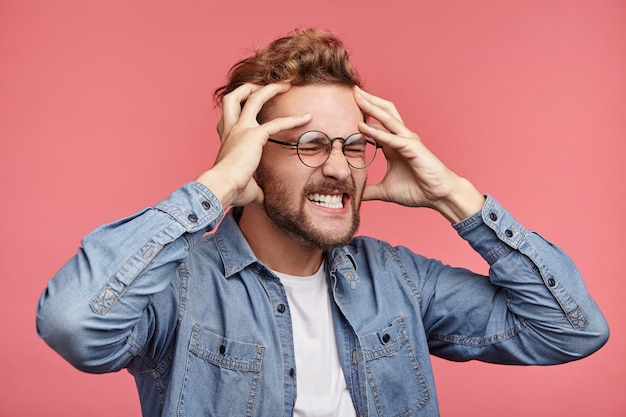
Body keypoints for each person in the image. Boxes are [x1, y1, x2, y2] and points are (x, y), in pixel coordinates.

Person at [36, 28, 609, 417]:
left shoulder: (398, 280)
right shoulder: (181, 288)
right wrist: (212, 187)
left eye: (355, 146)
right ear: (253, 156)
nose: (339, 167)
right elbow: (73, 325)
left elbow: (571, 331)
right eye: (310, 144)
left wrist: (455, 196)